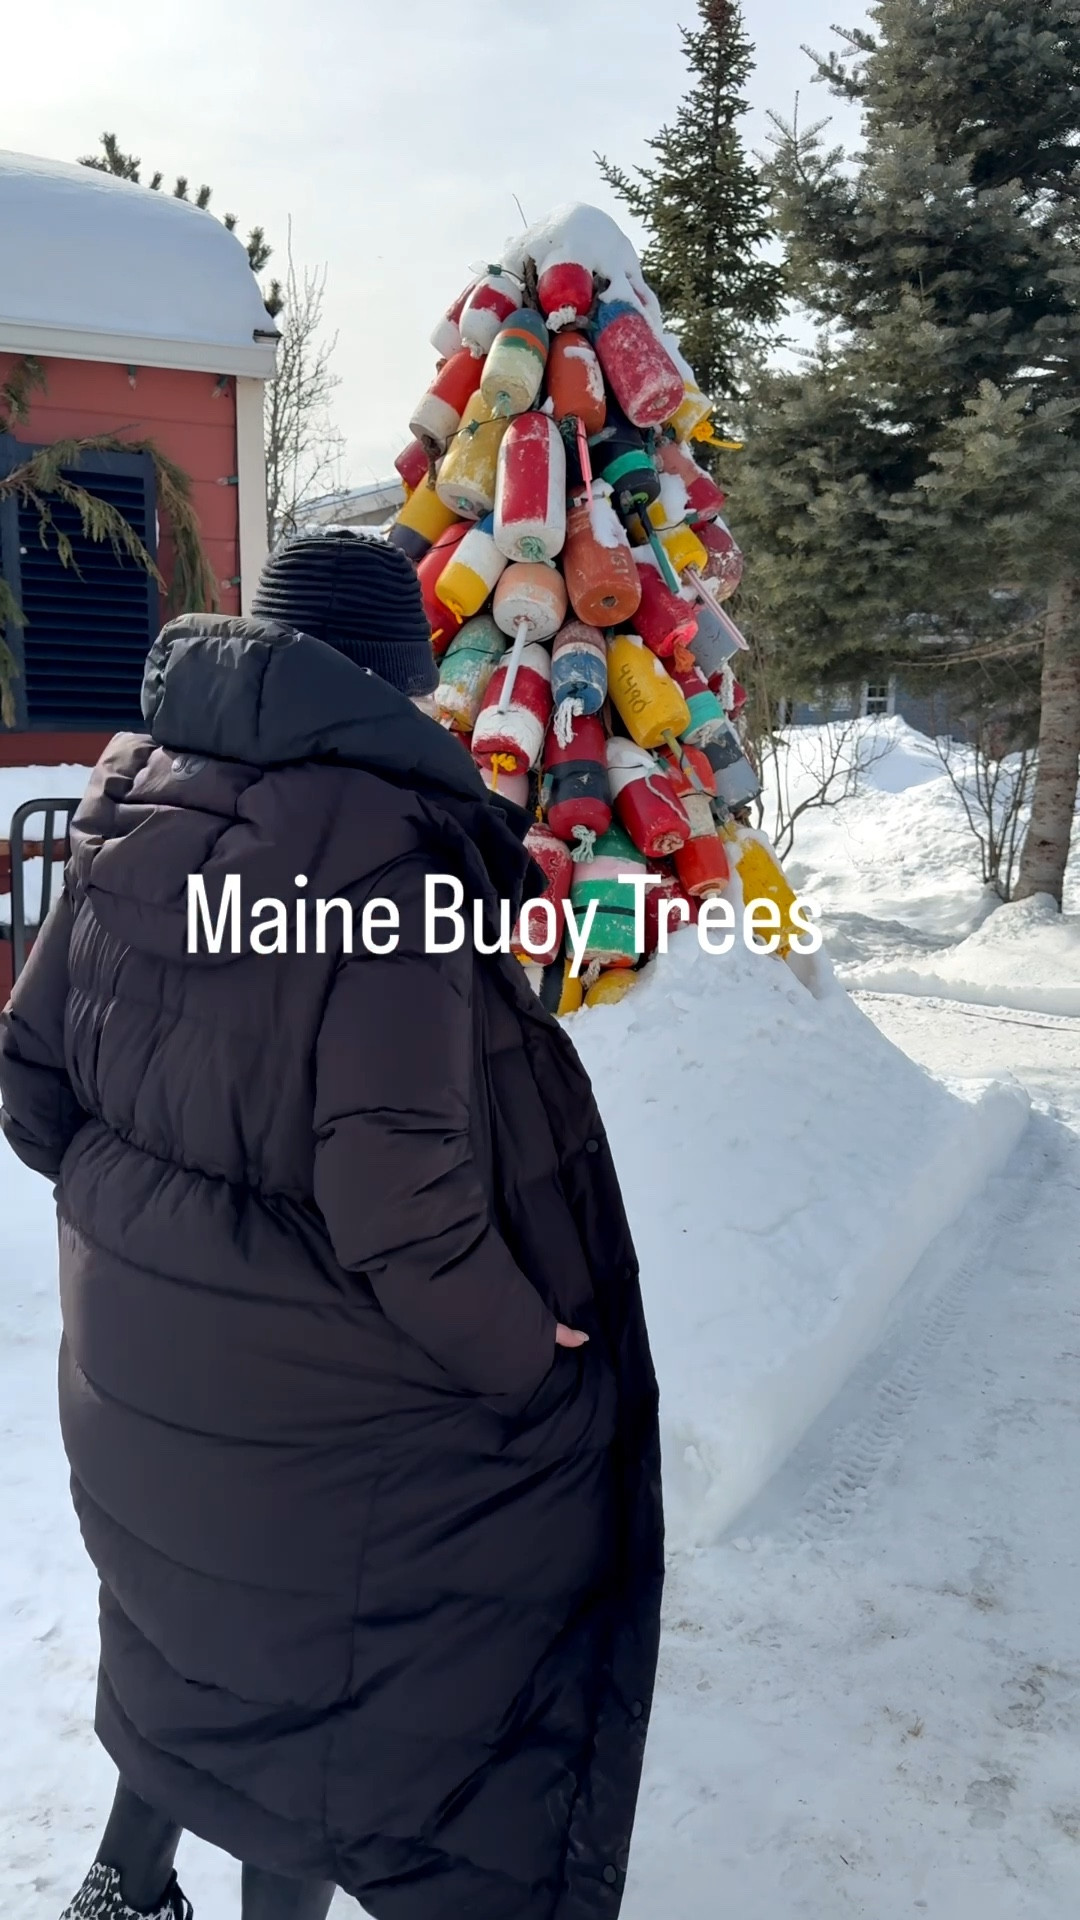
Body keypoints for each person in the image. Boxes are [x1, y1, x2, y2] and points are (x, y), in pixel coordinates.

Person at [0, 531, 663, 1920]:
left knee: (193, 1636)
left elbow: (32, 1084)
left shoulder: (135, 794)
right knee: (315, 1701)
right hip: (304, 1412)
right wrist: (522, 1351)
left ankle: (124, 1887)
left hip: (133, 1366)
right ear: (389, 684)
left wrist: (150, 1232)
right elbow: (398, 1204)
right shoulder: (390, 863)